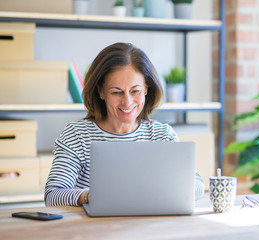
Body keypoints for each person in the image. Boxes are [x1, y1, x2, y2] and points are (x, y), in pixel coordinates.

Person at [45, 42, 205, 206]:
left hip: (151, 227)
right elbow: (53, 195)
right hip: (97, 229)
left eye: (135, 91)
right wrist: (91, 196)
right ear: (101, 91)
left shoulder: (162, 135)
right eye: (116, 92)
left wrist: (167, 192)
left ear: (146, 89)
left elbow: (198, 184)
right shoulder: (77, 135)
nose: (127, 102)